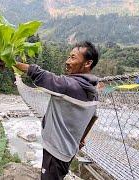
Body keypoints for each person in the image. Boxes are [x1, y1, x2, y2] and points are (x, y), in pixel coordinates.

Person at [14, 41, 100, 180]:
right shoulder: (93, 90)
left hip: (55, 151)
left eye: (73, 58)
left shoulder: (69, 85)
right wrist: (81, 139)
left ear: (87, 63)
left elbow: (41, 75)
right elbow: (93, 117)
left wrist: (11, 62)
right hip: (69, 150)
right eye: (68, 57)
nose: (67, 61)